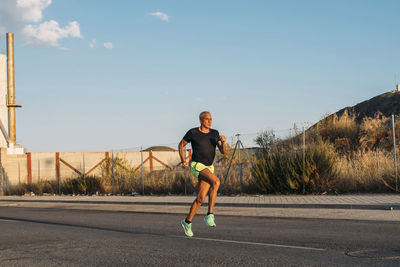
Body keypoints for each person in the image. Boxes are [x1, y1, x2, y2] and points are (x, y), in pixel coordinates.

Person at [178, 111, 226, 237]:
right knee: (216, 182)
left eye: (211, 119)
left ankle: (187, 222)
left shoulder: (215, 133)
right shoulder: (193, 132)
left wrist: (223, 142)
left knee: (200, 199)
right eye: (207, 119)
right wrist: (183, 160)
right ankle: (210, 215)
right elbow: (181, 145)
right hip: (197, 165)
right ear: (201, 120)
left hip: (209, 167)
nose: (210, 121)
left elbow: (223, 151)